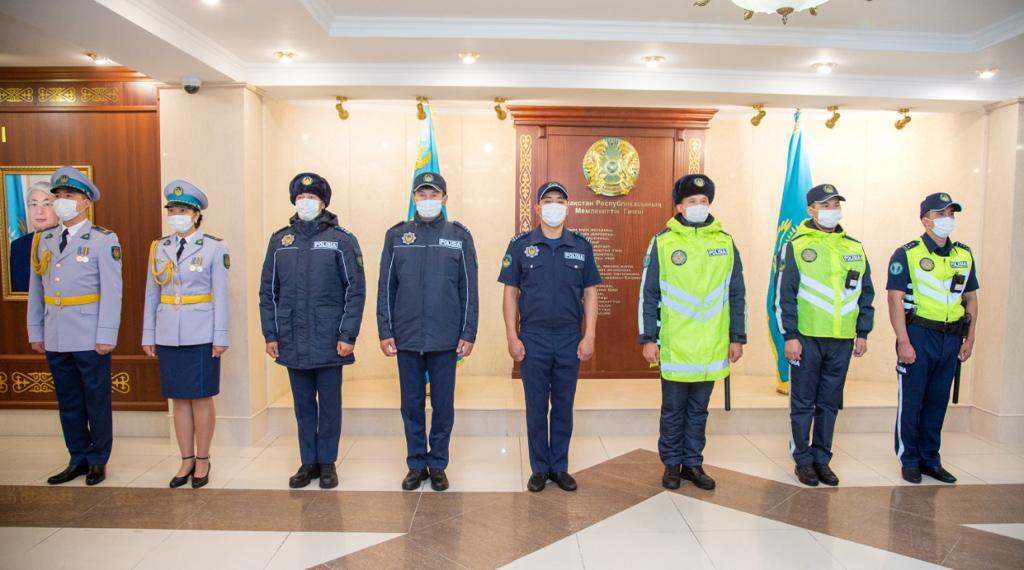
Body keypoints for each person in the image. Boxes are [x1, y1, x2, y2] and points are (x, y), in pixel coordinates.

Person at [639, 174, 746, 491]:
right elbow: (648, 294)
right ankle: (672, 465)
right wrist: (648, 338)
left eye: (703, 201)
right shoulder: (663, 242)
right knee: (673, 411)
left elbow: (737, 293)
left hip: (712, 344)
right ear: (679, 207)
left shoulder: (724, 242)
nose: (699, 205)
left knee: (699, 411)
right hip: (675, 345)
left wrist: (737, 337)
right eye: (692, 201)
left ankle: (693, 464)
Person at [259, 172, 365, 489]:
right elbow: (268, 291)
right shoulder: (280, 241)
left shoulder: (341, 240)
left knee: (329, 405)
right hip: (292, 337)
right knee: (303, 405)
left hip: (329, 339)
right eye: (301, 197)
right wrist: (270, 334)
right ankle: (308, 462)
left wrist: (348, 335)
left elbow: (355, 291)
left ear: (323, 202)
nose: (305, 202)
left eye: (312, 198)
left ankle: (328, 462)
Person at [377, 171, 478, 492]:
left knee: (443, 406)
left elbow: (469, 289)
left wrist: (468, 332)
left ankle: (438, 464)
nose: (428, 200)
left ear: (444, 199)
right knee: (411, 404)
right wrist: (385, 329)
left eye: (434, 194)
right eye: (422, 194)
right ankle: (416, 463)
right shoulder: (397, 236)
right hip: (406, 337)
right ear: (413, 198)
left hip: (445, 338)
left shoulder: (459, 236)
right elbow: (386, 288)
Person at [499, 181, 601, 493]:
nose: (554, 205)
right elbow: (510, 293)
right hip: (534, 338)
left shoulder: (581, 246)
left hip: (569, 338)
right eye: (548, 200)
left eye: (559, 200)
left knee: (563, 405)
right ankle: (539, 468)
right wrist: (512, 336)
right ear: (537, 208)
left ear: (567, 207)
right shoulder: (520, 245)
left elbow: (590, 293)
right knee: (535, 407)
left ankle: (559, 467)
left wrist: (589, 335)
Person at [27, 166, 122, 486]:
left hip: (89, 335)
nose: (62, 201)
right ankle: (77, 457)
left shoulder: (103, 240)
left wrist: (107, 335)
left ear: (85, 202)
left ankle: (98, 459)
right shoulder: (44, 239)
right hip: (55, 334)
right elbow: (37, 291)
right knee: (68, 400)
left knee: (96, 400)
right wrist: (36, 331)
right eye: (59, 196)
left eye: (69, 195)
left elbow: (112, 291)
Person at [775, 183, 874, 487]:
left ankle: (822, 458)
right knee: (803, 403)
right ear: (811, 210)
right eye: (825, 205)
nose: (832, 211)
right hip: (806, 338)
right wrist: (790, 335)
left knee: (829, 403)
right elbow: (784, 296)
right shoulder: (795, 245)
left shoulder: (854, 247)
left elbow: (866, 293)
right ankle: (803, 460)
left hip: (841, 340)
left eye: (835, 205)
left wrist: (862, 332)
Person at [142, 180, 229, 489]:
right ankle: (186, 459)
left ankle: (203, 459)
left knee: (201, 398)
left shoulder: (214, 247)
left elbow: (221, 294)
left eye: (182, 211)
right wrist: (148, 334)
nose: (176, 216)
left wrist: (221, 336)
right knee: (178, 399)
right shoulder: (159, 247)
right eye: (172, 211)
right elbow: (152, 293)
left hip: (201, 332)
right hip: (168, 333)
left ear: (195, 215)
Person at [886, 192, 978, 484]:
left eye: (951, 213)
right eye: (940, 214)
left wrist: (970, 338)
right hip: (919, 334)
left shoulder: (963, 255)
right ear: (925, 220)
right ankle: (909, 460)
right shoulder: (907, 253)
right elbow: (894, 298)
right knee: (912, 401)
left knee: (938, 401)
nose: (947, 219)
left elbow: (971, 299)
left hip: (951, 338)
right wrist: (903, 340)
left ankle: (930, 459)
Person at [10, 181, 58, 293]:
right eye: (34, 204)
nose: (39, 211)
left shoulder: (72, 242)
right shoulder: (17, 246)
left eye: (47, 204)